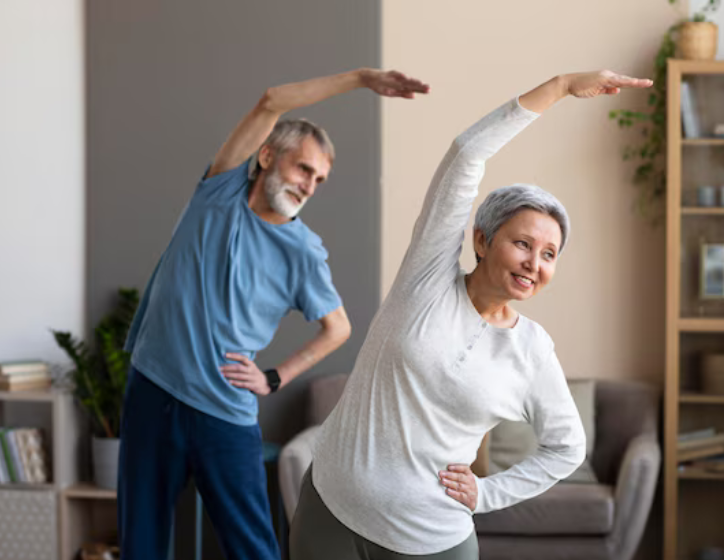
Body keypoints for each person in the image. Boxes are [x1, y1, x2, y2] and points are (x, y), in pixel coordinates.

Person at [290, 70, 652, 560]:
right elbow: (467, 152)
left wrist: (488, 494)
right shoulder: (427, 279)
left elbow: (567, 448)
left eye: (549, 254)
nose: (534, 263)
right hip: (328, 511)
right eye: (522, 243)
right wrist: (562, 87)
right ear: (482, 240)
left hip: (430, 542)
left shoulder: (531, 350)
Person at [117, 68, 430, 559]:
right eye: (304, 169)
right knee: (142, 542)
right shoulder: (218, 190)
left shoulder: (304, 252)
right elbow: (271, 101)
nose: (310, 185)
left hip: (222, 411)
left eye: (319, 180)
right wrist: (363, 79)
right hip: (152, 390)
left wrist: (274, 377)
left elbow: (339, 328)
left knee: (253, 549)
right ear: (266, 156)